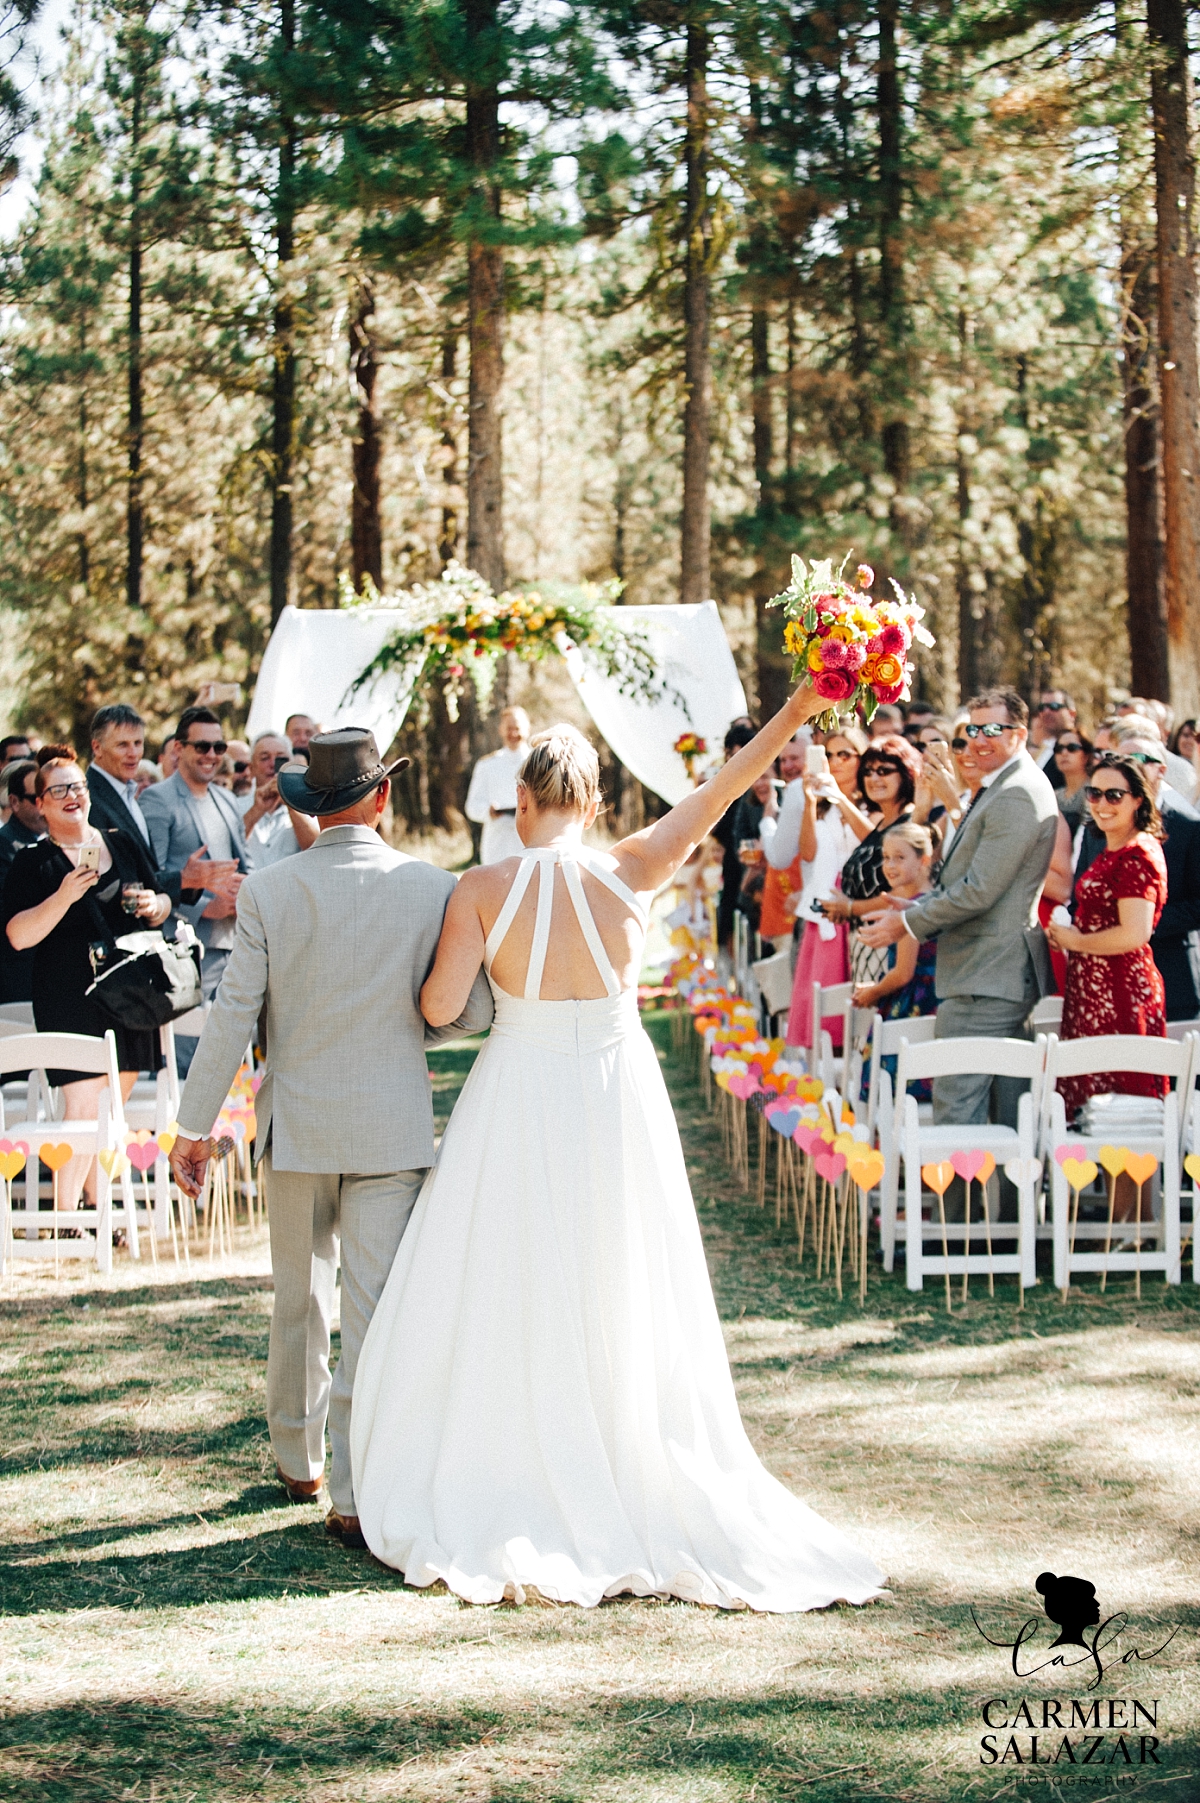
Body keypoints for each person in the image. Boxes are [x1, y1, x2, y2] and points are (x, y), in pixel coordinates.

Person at [350, 694, 886, 1611]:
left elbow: (440, 1010)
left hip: (515, 1085)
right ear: (594, 803)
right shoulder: (634, 865)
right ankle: (621, 1440)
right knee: (618, 1269)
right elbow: (730, 784)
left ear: (520, 800)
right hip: (611, 1092)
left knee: (506, 1268)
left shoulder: (480, 889)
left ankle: (513, 1452)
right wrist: (804, 698)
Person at [168, 730, 494, 1535]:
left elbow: (233, 1016)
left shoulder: (272, 891)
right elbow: (474, 1009)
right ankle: (356, 1492)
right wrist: (412, 1029)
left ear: (314, 803)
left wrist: (191, 1127)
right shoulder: (433, 886)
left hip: (299, 1124)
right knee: (374, 1309)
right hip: (391, 1123)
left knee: (297, 1298)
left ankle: (296, 1458)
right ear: (383, 797)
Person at [860, 688, 1058, 1134]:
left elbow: (979, 892)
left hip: (987, 977)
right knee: (1004, 1117)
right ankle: (991, 1208)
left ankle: (959, 1208)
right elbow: (966, 881)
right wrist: (918, 904)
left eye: (993, 729)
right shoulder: (1000, 787)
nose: (980, 739)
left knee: (958, 1116)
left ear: (1020, 733)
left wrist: (907, 922)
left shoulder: (1016, 794)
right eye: (973, 729)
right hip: (986, 973)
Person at [2, 747, 172, 1207]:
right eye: (57, 790)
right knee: (82, 1106)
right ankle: (64, 1216)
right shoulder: (32, 863)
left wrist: (157, 906)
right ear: (40, 804)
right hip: (68, 998)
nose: (71, 796)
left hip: (129, 994)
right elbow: (18, 936)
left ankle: (99, 1208)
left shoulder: (120, 841)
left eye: (77, 786)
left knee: (111, 1106)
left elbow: (161, 897)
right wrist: (63, 895)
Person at [1047, 755, 1168, 1135]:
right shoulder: (1112, 850)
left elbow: (1135, 933)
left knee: (1129, 1121)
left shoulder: (1137, 855)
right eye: (1094, 793)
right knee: (1098, 1120)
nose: (1101, 804)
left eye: (1114, 795)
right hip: (1094, 993)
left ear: (1138, 800)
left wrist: (1076, 940)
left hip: (1120, 995)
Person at [141, 707, 249, 1074]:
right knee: (186, 1061)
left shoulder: (228, 801)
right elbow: (151, 877)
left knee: (231, 1058)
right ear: (178, 748)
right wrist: (204, 907)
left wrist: (243, 896)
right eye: (202, 746)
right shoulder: (157, 800)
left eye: (219, 747)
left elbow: (243, 863)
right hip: (184, 951)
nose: (211, 755)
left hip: (233, 950)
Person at [1073, 736, 1200, 1021]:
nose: (1130, 767)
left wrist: (1137, 921)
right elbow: (1078, 896)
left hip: (1169, 971)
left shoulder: (1189, 827)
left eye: (1141, 760)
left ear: (1161, 770)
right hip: (1097, 976)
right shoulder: (1097, 829)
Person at [768, 729, 866, 1052]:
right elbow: (807, 853)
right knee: (818, 1005)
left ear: (860, 759)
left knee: (850, 1008)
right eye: (831, 755)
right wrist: (810, 802)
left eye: (845, 755)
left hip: (856, 910)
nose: (837, 762)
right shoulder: (822, 804)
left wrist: (840, 797)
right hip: (820, 910)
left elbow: (874, 842)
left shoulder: (870, 802)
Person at [820, 734, 920, 989]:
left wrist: (852, 907)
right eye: (868, 771)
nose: (874, 778)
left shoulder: (910, 824)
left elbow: (904, 891)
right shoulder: (881, 825)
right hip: (863, 943)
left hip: (889, 943)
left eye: (884, 771)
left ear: (906, 772)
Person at [853, 821, 938, 1101]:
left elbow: (903, 973)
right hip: (928, 998)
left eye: (900, 858)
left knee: (892, 1089)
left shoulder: (911, 909)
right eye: (886, 858)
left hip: (914, 1003)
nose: (890, 865)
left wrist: (872, 993)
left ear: (923, 860)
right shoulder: (932, 901)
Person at [464, 706, 532, 866]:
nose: (513, 734)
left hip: (528, 842)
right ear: (501, 730)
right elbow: (472, 806)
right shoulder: (487, 765)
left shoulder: (537, 763)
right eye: (509, 728)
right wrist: (489, 811)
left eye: (517, 728)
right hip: (497, 844)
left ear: (527, 729)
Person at [240, 733, 319, 869]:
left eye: (281, 759)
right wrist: (256, 811)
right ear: (251, 768)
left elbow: (316, 849)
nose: (272, 764)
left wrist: (291, 804)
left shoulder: (308, 806)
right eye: (265, 758)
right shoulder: (236, 805)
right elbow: (228, 848)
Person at [0, 760, 43, 1004]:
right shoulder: (5, 846)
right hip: (19, 979)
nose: (44, 805)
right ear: (14, 802)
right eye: (35, 799)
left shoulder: (53, 839)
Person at [1029, 690, 1075, 787]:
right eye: (1042, 707)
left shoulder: (1077, 749)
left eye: (1054, 706)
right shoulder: (1044, 747)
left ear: (1071, 714)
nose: (1046, 712)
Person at [1052, 729, 1093, 832]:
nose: (1064, 753)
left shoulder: (1094, 793)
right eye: (1059, 748)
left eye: (1072, 748)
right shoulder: (1053, 796)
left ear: (1086, 756)